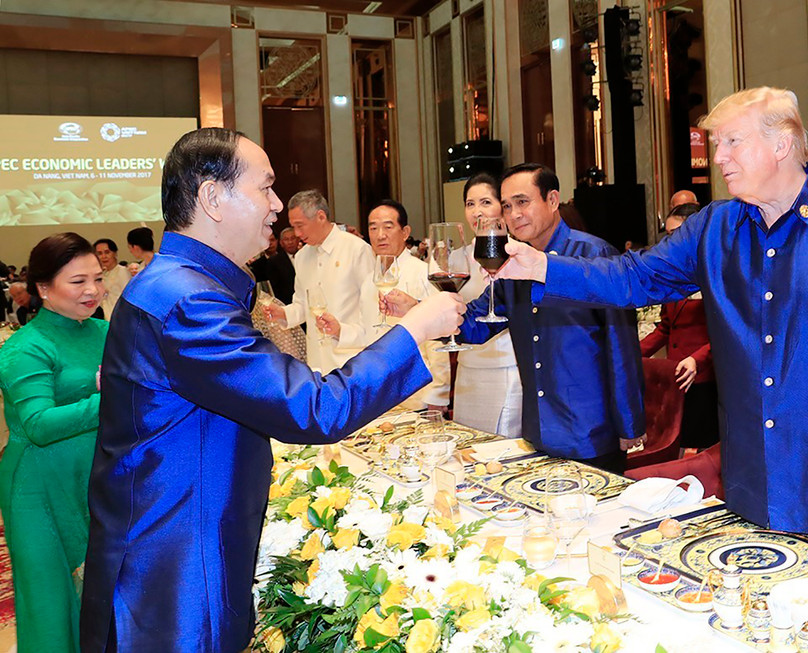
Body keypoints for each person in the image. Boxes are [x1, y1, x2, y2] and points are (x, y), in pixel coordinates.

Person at [496, 88, 808, 565]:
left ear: (782, 143)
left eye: (731, 142)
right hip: (754, 477)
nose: (717, 157)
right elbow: (634, 275)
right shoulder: (714, 228)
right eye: (715, 143)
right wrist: (544, 268)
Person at [79, 128, 465, 651]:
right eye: (265, 188)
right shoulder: (187, 298)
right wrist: (415, 329)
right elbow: (313, 408)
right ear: (212, 198)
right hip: (176, 563)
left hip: (178, 540)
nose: (278, 206)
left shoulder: (181, 282)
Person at [387, 164, 645, 473]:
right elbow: (475, 324)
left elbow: (622, 344)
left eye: (523, 202)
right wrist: (418, 311)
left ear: (552, 200)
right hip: (537, 431)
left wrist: (630, 423)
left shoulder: (593, 254)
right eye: (507, 206)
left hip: (590, 430)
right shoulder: (513, 264)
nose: (514, 214)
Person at [0, 233, 108, 652]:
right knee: (51, 602)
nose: (93, 291)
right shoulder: (26, 348)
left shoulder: (104, 330)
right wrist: (107, 400)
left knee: (98, 595)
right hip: (39, 489)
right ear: (43, 288)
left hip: (94, 480)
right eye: (78, 281)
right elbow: (38, 424)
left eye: (97, 279)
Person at [327, 199, 451, 412]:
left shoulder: (424, 273)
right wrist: (340, 331)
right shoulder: (370, 280)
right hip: (380, 394)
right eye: (373, 228)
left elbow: (438, 341)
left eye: (387, 226)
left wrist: (438, 395)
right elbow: (367, 332)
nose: (380, 234)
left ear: (405, 232)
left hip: (417, 394)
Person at [263, 190, 374, 374]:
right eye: (293, 227)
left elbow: (372, 312)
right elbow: (302, 305)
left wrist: (342, 332)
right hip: (317, 361)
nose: (297, 233)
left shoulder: (356, 249)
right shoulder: (302, 256)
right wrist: (282, 313)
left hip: (351, 357)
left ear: (321, 217)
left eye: (300, 226)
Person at [640, 202, 718, 449]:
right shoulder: (675, 274)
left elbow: (726, 334)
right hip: (676, 374)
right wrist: (633, 352)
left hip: (705, 376)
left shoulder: (715, 272)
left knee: (703, 446)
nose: (670, 241)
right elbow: (666, 327)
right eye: (669, 234)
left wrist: (697, 359)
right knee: (677, 443)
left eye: (677, 234)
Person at [450, 174, 522, 436]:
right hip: (469, 369)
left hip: (506, 367)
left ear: (501, 207)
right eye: (470, 204)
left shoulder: (518, 253)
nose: (477, 211)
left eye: (485, 202)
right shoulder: (457, 258)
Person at [94, 238, 131, 320]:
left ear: (115, 253)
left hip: (121, 319)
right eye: (99, 253)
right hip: (104, 319)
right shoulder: (100, 275)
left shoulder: (124, 272)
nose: (104, 256)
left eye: (107, 252)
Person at [265, 226, 299, 304]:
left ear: (298, 239)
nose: (290, 242)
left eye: (293, 238)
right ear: (281, 243)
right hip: (287, 304)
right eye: (286, 239)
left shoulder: (306, 256)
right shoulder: (274, 261)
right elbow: (275, 289)